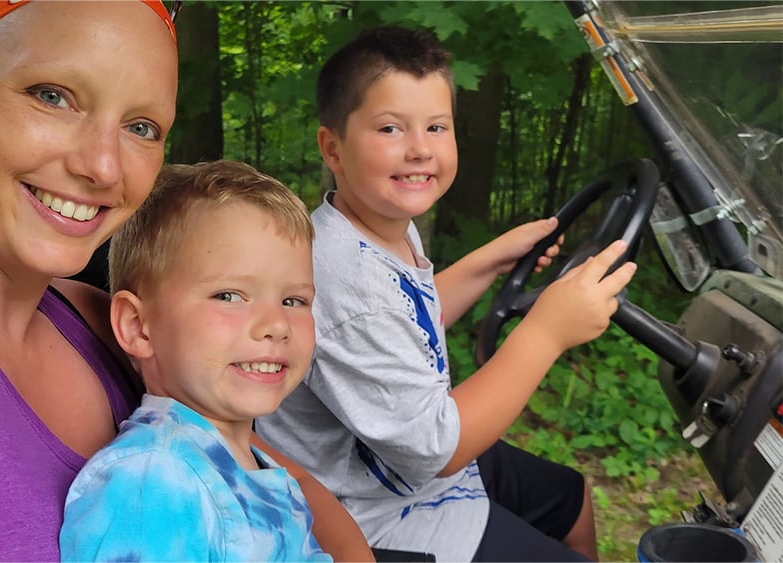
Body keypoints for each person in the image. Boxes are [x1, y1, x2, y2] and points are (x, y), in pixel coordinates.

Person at [0, 3, 371, 561]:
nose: (102, 166)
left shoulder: (105, 328)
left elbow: (294, 509)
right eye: (53, 96)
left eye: (141, 126)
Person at [257, 25, 638, 562]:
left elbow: (408, 317)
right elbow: (440, 450)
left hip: (400, 463)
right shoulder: (343, 277)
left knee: (570, 497)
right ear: (332, 148)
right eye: (391, 128)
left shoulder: (373, 223)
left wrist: (489, 261)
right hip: (369, 513)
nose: (419, 150)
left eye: (437, 126)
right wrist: (546, 332)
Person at [59, 160, 333, 562]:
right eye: (229, 295)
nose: (277, 324)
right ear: (139, 326)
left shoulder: (250, 464)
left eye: (293, 300)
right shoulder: (152, 481)